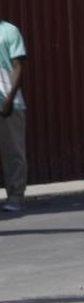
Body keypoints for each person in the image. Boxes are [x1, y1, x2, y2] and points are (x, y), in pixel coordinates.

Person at [0, 19, 26, 212]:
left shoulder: (9, 31)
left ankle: (15, 196)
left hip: (9, 102)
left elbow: (18, 65)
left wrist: (9, 99)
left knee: (13, 152)